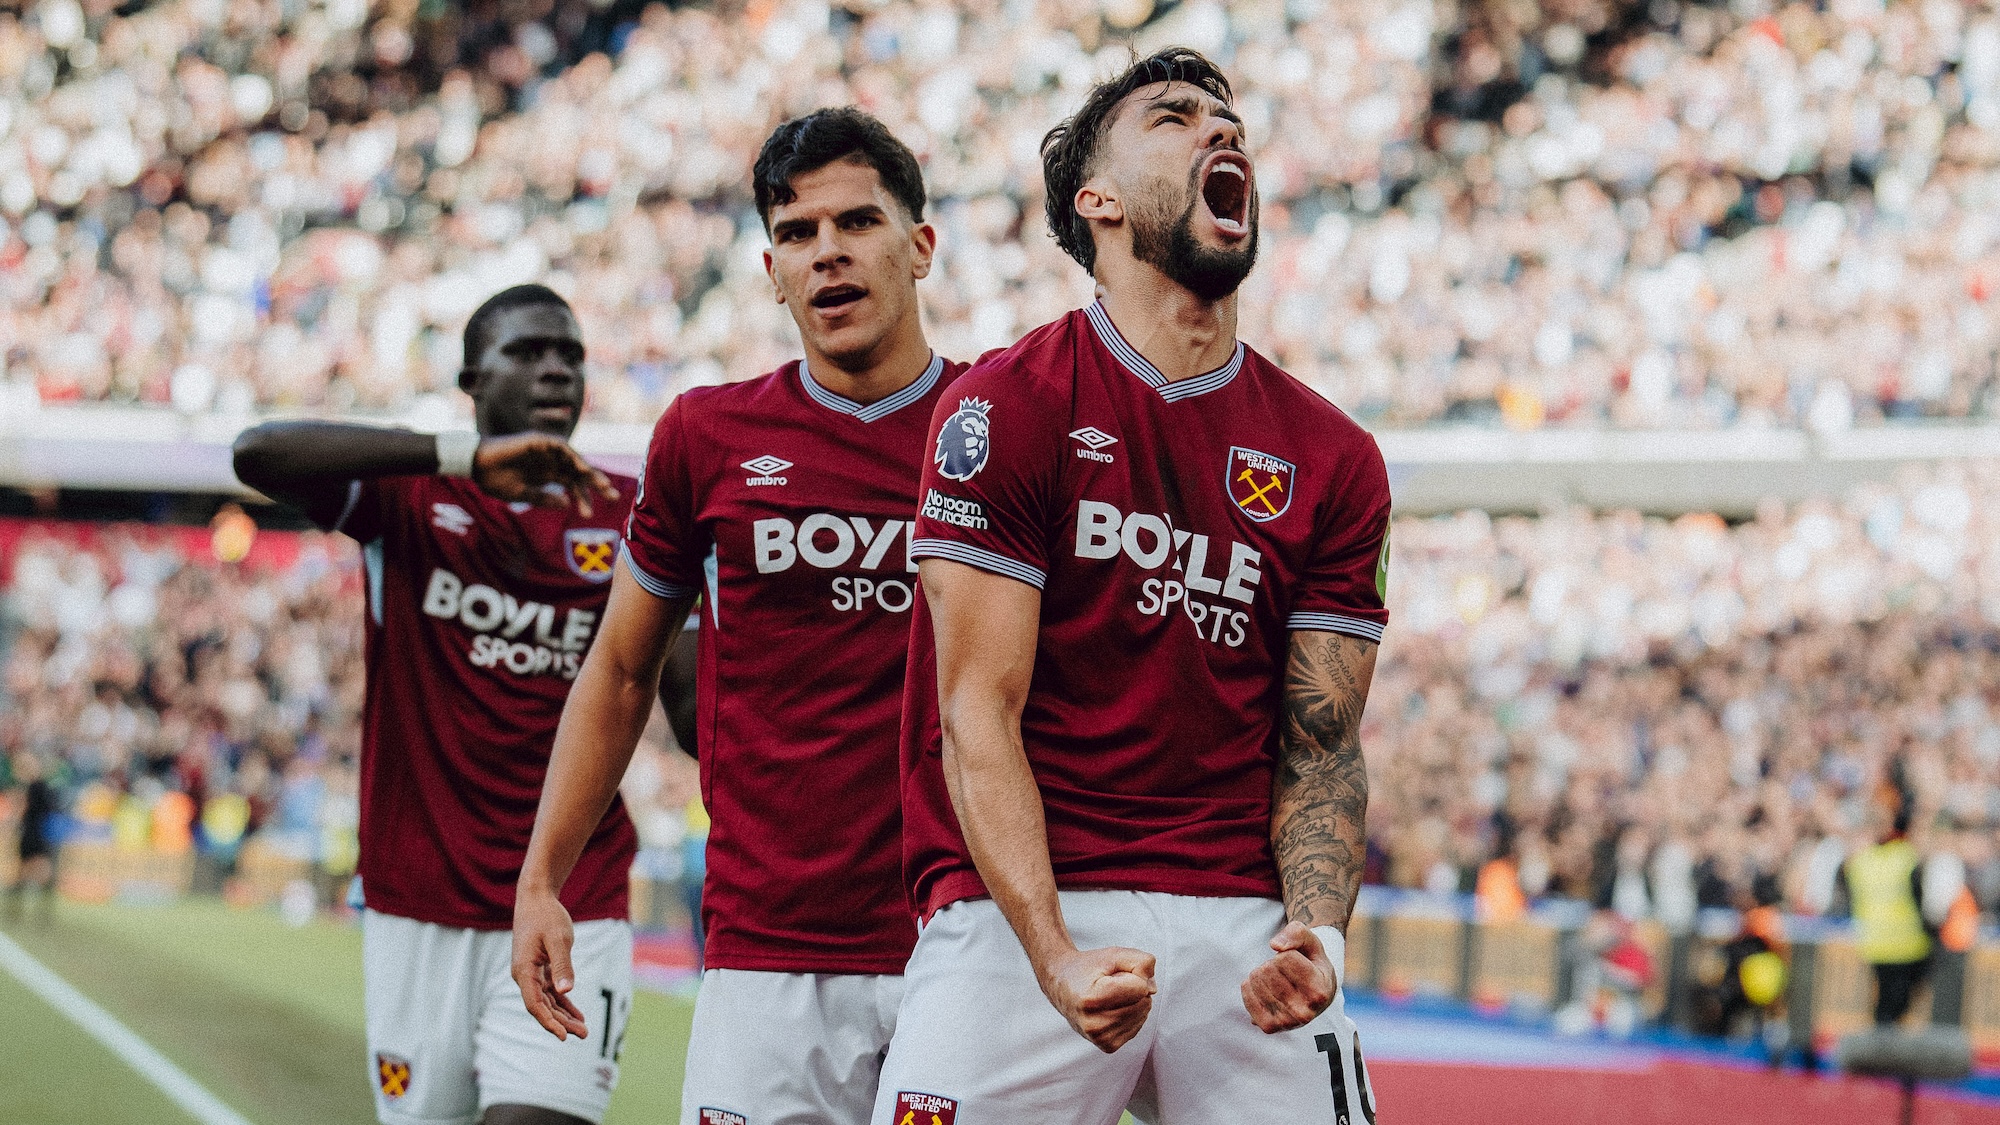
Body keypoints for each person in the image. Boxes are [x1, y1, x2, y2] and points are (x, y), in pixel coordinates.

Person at [876, 47, 1390, 1124]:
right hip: (1027, 908)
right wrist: (1052, 952)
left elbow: (1323, 743)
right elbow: (975, 714)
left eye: (1227, 118)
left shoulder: (1336, 457)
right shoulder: (1004, 407)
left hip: (1244, 918)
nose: (1221, 129)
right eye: (1173, 116)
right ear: (1096, 201)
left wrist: (1317, 936)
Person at [511, 108, 965, 1125]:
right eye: (797, 233)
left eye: (858, 222)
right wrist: (542, 878)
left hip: (968, 941)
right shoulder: (705, 437)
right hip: (767, 952)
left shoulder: (1002, 424)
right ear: (771, 271)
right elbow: (619, 671)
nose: (827, 252)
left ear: (920, 246)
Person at [232, 284, 638, 1125]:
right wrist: (462, 458)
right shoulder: (408, 497)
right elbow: (257, 453)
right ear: (471, 381)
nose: (556, 370)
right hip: (418, 896)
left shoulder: (630, 513)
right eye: (528, 352)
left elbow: (684, 705)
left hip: (574, 891)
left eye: (570, 355)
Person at [1846, 802, 1933, 1026]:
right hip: (1906, 945)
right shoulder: (1906, 856)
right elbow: (1923, 899)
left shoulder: (1860, 860)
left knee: (1884, 1006)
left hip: (1875, 943)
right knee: (1897, 1006)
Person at [5, 752, 60, 927]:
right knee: (33, 874)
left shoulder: (36, 787)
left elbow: (43, 810)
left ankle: (24, 912)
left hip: (36, 835)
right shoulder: (33, 787)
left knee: (34, 874)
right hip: (35, 835)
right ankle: (25, 912)